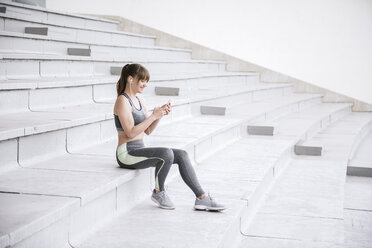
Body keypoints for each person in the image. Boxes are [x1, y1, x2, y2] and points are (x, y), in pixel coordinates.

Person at [113, 63, 225, 211]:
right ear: (130, 79)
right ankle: (159, 193)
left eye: (147, 81)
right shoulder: (122, 100)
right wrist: (153, 116)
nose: (145, 84)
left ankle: (201, 198)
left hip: (139, 149)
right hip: (126, 153)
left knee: (182, 154)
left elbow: (147, 131)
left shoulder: (141, 100)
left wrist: (159, 116)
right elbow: (130, 133)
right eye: (142, 81)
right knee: (166, 153)